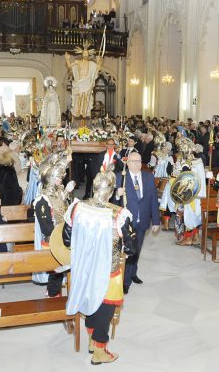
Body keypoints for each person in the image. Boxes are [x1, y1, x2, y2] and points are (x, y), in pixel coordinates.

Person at [61, 167, 136, 364]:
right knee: (106, 307)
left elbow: (67, 240)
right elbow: (131, 248)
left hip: (84, 267)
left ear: (94, 188)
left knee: (90, 300)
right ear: (111, 192)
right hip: (108, 270)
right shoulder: (118, 214)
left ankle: (92, 341)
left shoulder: (77, 207)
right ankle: (100, 351)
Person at [115, 151, 160, 294]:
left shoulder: (148, 176)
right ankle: (125, 281)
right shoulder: (120, 178)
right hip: (127, 223)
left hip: (143, 221)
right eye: (134, 161)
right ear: (127, 163)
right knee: (128, 252)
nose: (137, 164)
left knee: (137, 250)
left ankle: (133, 273)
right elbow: (111, 202)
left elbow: (153, 199)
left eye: (139, 161)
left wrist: (156, 221)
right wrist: (117, 194)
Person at [33, 150, 74, 295]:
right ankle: (52, 294)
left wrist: (67, 194)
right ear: (50, 178)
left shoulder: (57, 193)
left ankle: (55, 292)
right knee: (55, 272)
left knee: (60, 270)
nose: (61, 180)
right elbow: (46, 227)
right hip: (51, 241)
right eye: (58, 177)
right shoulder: (42, 200)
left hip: (61, 237)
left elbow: (61, 208)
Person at [159, 136, 206, 246]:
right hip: (197, 193)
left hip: (190, 193)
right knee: (193, 215)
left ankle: (188, 238)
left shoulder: (189, 163)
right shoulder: (198, 161)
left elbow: (185, 178)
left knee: (188, 215)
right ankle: (195, 236)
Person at [65, 41, 102, 118]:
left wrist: (99, 61)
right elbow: (69, 66)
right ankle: (78, 111)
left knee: (86, 97)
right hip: (80, 81)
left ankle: (84, 111)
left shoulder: (91, 63)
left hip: (87, 81)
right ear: (82, 54)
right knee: (80, 96)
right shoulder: (77, 61)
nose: (85, 54)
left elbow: (98, 68)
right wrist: (67, 59)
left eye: (87, 53)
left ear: (88, 55)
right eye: (84, 53)